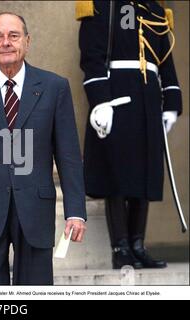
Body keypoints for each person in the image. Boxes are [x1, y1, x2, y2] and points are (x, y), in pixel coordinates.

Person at [0, 12, 87, 285]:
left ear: (28, 41)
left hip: (35, 210)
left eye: (13, 36)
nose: (5, 42)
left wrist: (76, 211)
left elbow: (68, 156)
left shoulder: (54, 87)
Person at [77, 0, 182, 269]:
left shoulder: (157, 11)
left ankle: (137, 244)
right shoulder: (101, 5)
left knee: (145, 175)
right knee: (118, 175)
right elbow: (92, 55)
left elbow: (165, 60)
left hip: (148, 101)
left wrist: (171, 103)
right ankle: (120, 246)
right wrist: (100, 100)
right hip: (118, 96)